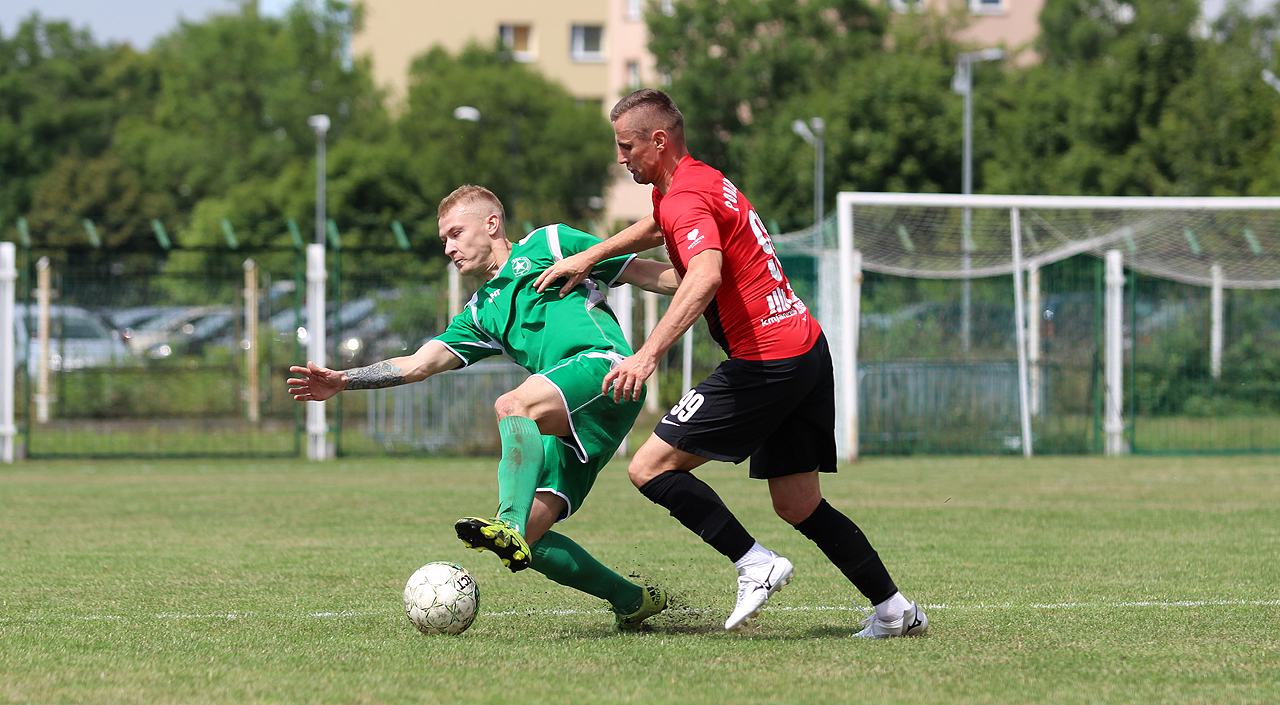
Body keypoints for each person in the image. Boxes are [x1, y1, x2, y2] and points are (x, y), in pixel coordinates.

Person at [534, 89, 928, 638]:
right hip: (805, 350)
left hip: (766, 360)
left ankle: (755, 563)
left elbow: (703, 276)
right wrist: (595, 259)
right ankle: (895, 611)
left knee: (649, 467)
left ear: (659, 140)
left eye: (626, 147)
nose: (621, 159)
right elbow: (660, 236)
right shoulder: (699, 180)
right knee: (798, 503)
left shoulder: (684, 199)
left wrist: (647, 356)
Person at [288, 185, 679, 630]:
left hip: (604, 370)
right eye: (444, 241)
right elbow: (417, 364)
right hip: (568, 410)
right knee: (532, 537)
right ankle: (632, 599)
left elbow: (647, 273)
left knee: (513, 403)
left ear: (491, 224)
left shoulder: (549, 243)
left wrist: (711, 286)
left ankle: (506, 521)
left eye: (455, 234)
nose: (449, 248)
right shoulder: (480, 314)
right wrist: (344, 380)